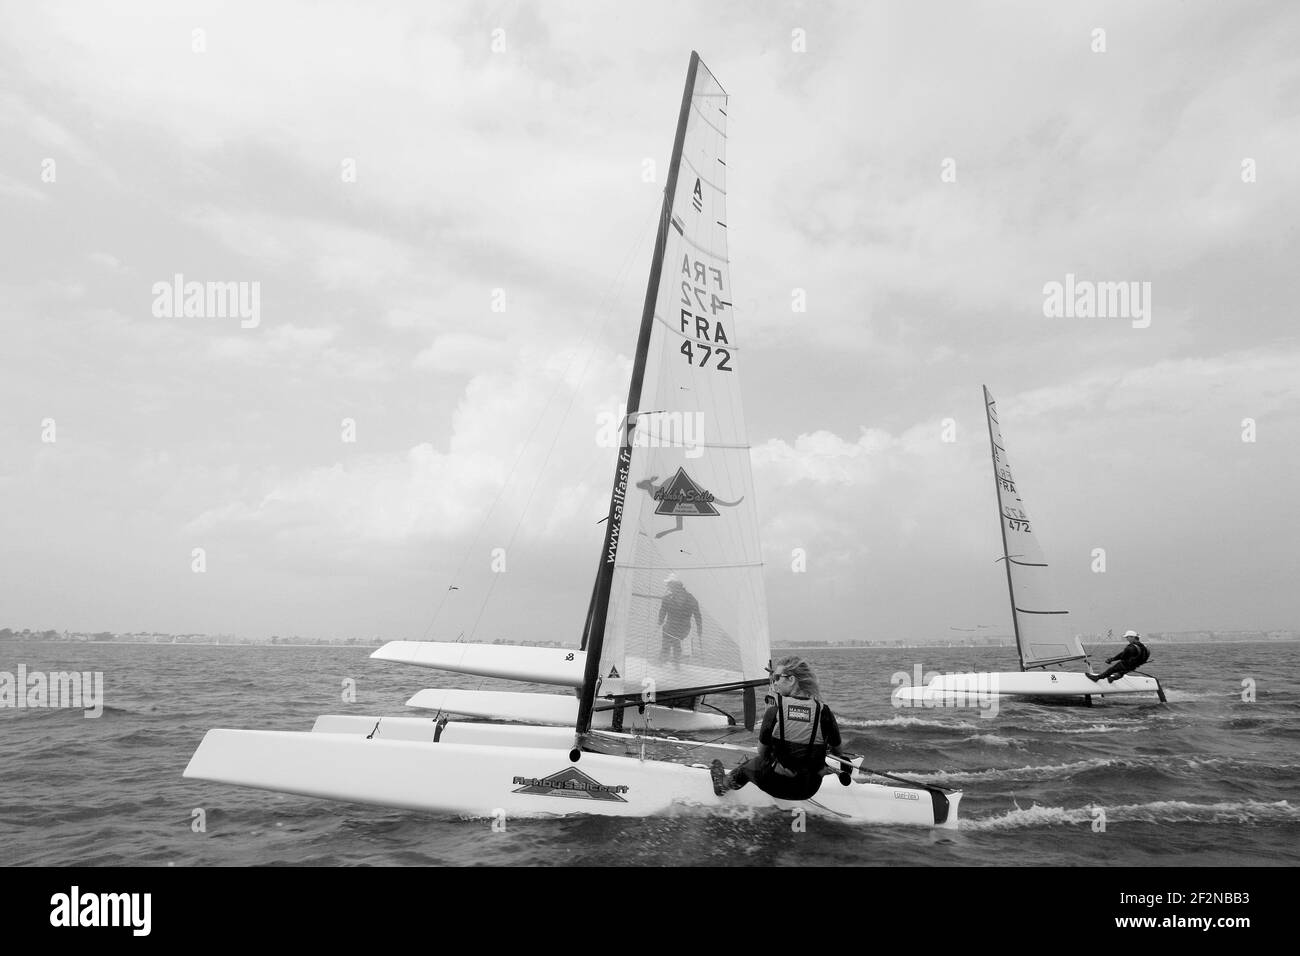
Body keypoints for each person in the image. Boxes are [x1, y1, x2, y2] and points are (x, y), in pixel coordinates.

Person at [710, 656, 844, 800]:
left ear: (791, 680)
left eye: (777, 678)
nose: (775, 683)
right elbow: (838, 752)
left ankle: (723, 785)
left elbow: (762, 752)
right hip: (809, 788)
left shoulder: (774, 711)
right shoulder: (824, 712)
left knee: (750, 765)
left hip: (775, 784)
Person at [658, 574, 701, 664]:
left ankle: (663, 660)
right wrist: (699, 629)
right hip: (683, 630)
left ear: (676, 585)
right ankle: (676, 661)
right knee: (674, 638)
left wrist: (660, 621)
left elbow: (662, 612)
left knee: (668, 634)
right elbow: (698, 616)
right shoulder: (691, 599)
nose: (668, 587)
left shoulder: (667, 598)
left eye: (669, 584)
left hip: (674, 629)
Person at [1086, 630, 1150, 682]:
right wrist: (1138, 663)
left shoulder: (1130, 647)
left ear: (1132, 637)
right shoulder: (1144, 647)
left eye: (1127, 637)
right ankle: (1112, 679)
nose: (1127, 639)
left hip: (1127, 664)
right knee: (1121, 672)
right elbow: (1146, 656)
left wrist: (1111, 659)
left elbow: (1122, 656)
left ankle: (1097, 678)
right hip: (1135, 665)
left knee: (1112, 669)